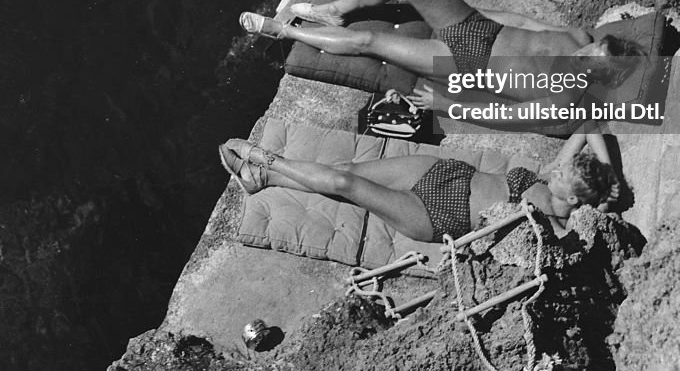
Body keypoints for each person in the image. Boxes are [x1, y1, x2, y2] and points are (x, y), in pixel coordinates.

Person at [239, 0, 645, 102]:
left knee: (371, 42)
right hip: (477, 27)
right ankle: (335, 11)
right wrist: (466, 12)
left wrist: (448, 106)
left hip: (467, 63)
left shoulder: (565, 93)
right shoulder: (580, 39)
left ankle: (284, 33)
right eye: (593, 50)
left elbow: (506, 114)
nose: (583, 55)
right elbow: (523, 23)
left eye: (588, 65)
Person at [218, 125, 619, 241]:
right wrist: (609, 175)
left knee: (342, 182)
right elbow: (592, 125)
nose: (556, 169)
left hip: (437, 215)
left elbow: (573, 241)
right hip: (448, 174)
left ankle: (264, 158)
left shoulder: (556, 224)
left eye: (564, 174)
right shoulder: (552, 181)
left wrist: (601, 205)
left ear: (570, 195)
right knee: (349, 168)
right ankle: (264, 179)